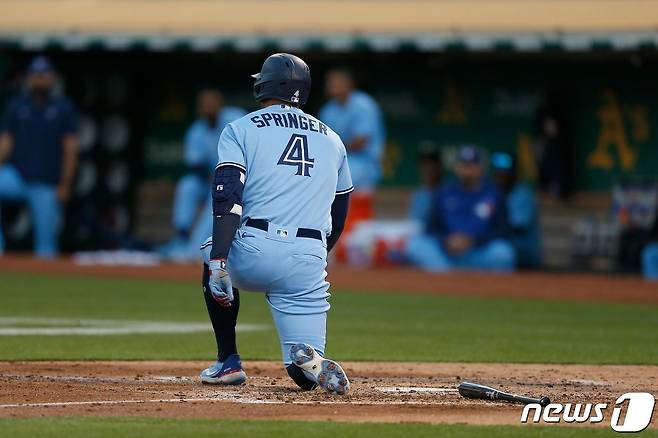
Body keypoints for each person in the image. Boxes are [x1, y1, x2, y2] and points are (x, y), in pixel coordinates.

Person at [198, 53, 353, 396]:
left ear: (263, 84)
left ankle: (228, 362)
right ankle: (310, 363)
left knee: (211, 252)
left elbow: (228, 199)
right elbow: (340, 214)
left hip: (255, 249)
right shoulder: (333, 138)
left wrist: (220, 259)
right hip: (309, 257)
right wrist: (315, 256)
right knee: (303, 377)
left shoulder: (241, 127)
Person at [0, 56, 78, 258]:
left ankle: (46, 271)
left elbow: (70, 149)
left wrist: (66, 184)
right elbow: (6, 142)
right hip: (16, 176)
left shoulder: (63, 108)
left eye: (44, 75)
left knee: (46, 246)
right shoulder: (17, 106)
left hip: (46, 183)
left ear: (52, 78)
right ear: (29, 78)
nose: (39, 80)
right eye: (36, 75)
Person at [159, 89, 245, 260]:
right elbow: (195, 166)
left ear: (220, 104)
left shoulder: (235, 118)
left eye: (210, 103)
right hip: (212, 180)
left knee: (216, 197)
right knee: (188, 185)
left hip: (239, 180)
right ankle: (181, 236)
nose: (207, 107)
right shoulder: (196, 131)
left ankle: (194, 248)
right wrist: (213, 180)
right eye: (203, 104)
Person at [405, 146, 515, 272]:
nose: (467, 170)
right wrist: (446, 240)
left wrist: (472, 241)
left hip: (478, 253)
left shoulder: (494, 193)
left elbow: (503, 230)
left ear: (481, 167)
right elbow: (432, 228)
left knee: (503, 253)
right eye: (464, 164)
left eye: (471, 165)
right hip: (447, 254)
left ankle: (456, 277)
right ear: (457, 167)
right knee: (415, 245)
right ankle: (447, 277)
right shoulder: (444, 192)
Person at [319, 69, 385, 257]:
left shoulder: (363, 104)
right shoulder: (328, 109)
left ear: (348, 83)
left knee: (337, 180)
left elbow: (361, 141)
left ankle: (356, 246)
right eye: (329, 82)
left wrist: (335, 147)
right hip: (341, 161)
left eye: (336, 82)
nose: (331, 86)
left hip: (364, 163)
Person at [491, 152, 541, 269]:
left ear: (513, 173)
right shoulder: (494, 194)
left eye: (505, 173)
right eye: (499, 172)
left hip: (524, 257)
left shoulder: (523, 193)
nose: (501, 176)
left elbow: (518, 226)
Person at [409, 145, 443, 224]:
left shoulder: (448, 192)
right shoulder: (418, 195)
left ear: (439, 166)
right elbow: (415, 225)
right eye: (423, 163)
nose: (427, 168)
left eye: (431, 163)